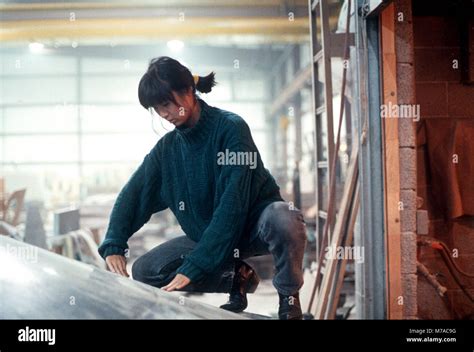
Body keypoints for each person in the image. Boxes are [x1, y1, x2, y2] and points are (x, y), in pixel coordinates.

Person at [98, 56, 307, 319]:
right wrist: (114, 242)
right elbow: (133, 193)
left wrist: (196, 265)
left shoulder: (231, 128)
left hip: (253, 227)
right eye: (156, 108)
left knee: (284, 217)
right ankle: (236, 278)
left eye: (165, 104)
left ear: (188, 90)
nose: (163, 114)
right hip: (207, 235)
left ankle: (289, 298)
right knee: (146, 270)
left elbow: (232, 204)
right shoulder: (168, 150)